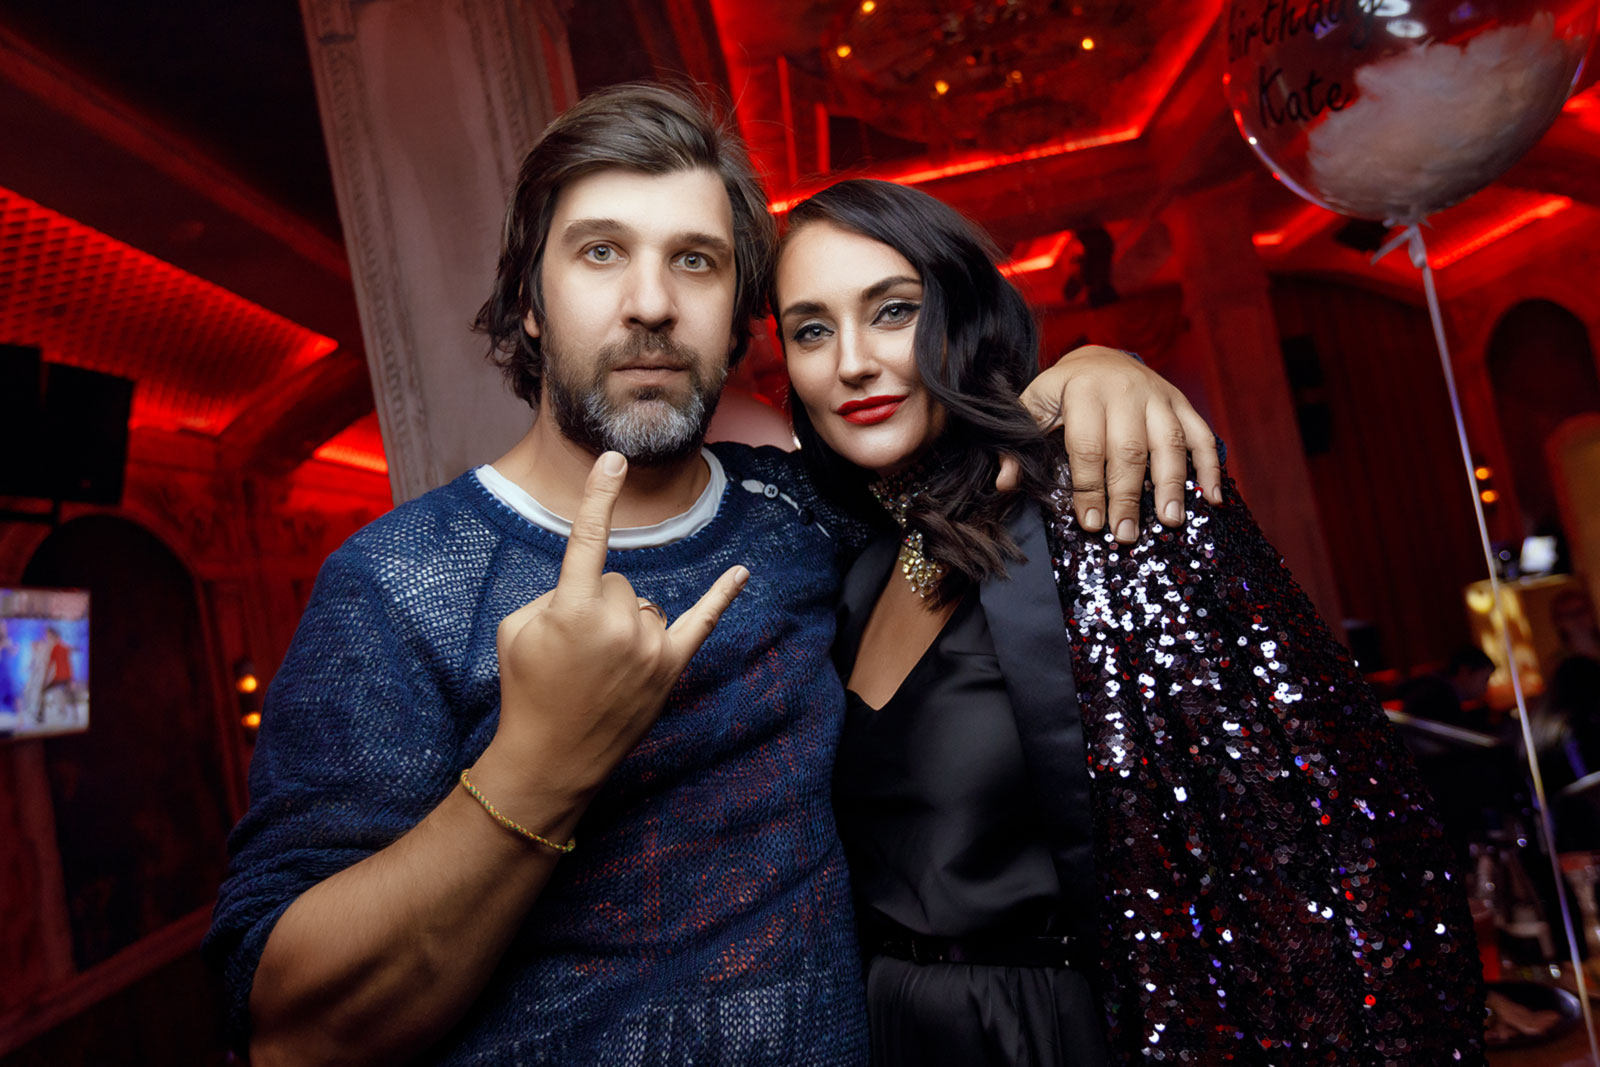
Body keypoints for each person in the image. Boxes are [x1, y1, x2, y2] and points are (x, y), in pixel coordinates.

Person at [205, 83, 1221, 1066]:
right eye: (600, 252)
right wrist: (539, 764)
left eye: (694, 261)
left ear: (738, 320)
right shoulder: (397, 583)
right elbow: (291, 1032)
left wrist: (1094, 370)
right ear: (527, 302)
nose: (651, 304)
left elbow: (957, 459)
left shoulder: (810, 512)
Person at [775, 178, 1486, 1064]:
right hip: (892, 1036)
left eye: (893, 311)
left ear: (962, 315)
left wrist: (1104, 359)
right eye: (811, 329)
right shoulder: (850, 571)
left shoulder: (1099, 507)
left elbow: (1323, 844)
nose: (850, 361)